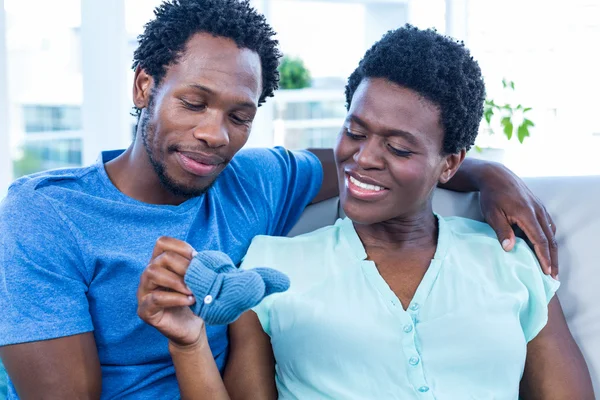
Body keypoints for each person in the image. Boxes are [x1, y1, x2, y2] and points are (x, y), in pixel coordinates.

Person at [0, 0, 560, 398]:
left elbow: (366, 163)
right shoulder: (46, 214)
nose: (215, 134)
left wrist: (489, 174)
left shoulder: (252, 180)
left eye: (239, 116)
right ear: (145, 87)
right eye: (194, 103)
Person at [138, 25, 594, 399]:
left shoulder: (509, 260)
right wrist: (190, 342)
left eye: (397, 147)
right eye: (355, 131)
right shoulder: (271, 265)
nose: (364, 158)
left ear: (451, 163)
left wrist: (493, 174)